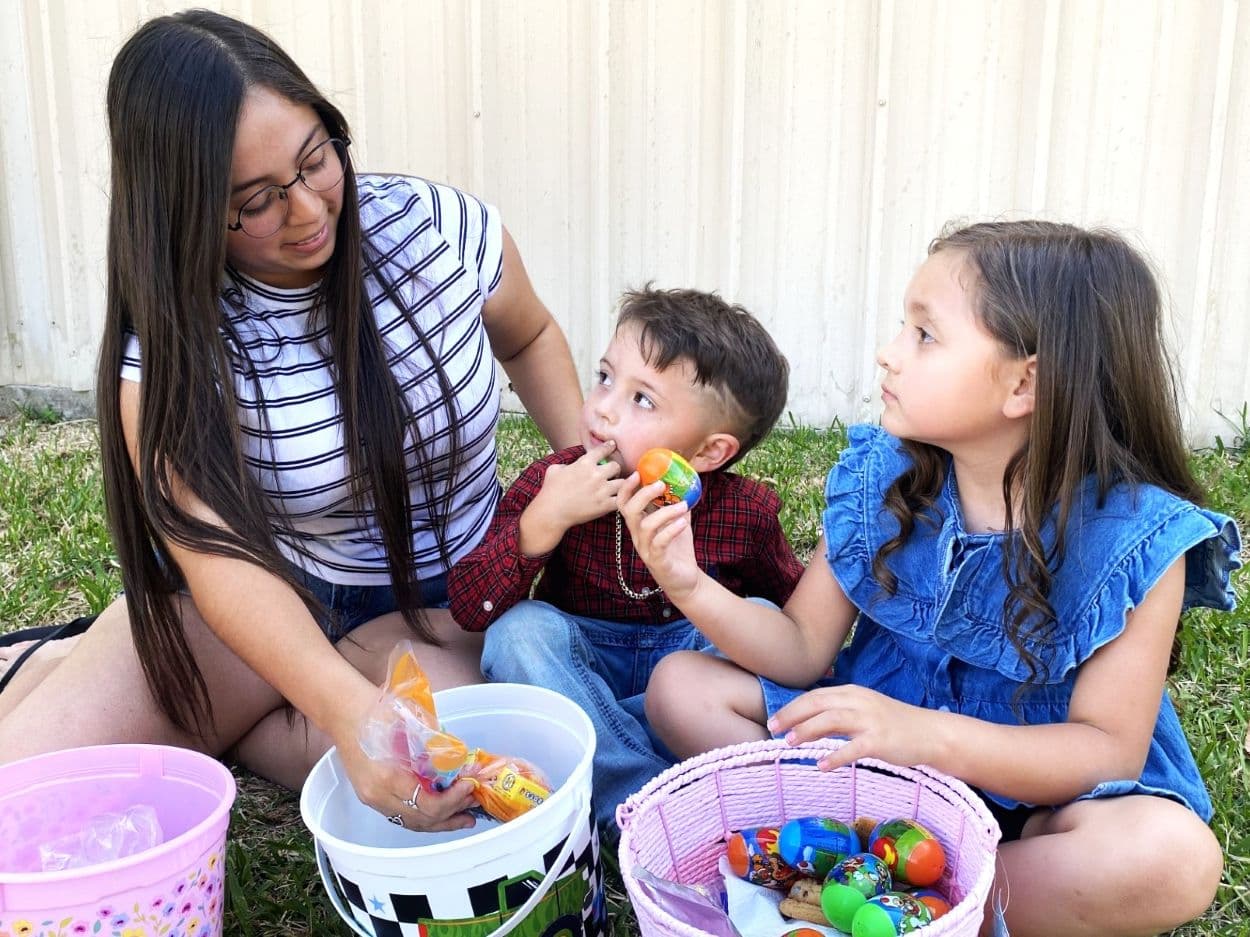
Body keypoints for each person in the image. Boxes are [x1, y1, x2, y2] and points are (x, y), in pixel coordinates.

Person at [0, 10, 584, 835]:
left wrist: (584, 465)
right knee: (23, 799)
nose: (309, 209)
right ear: (190, 209)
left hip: (447, 604)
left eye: (317, 159)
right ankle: (147, 681)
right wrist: (345, 708)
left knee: (473, 771)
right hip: (258, 606)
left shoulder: (436, 231)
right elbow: (209, 552)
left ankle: (223, 716)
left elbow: (527, 333)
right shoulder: (172, 337)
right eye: (258, 201)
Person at [625, 222, 1241, 936]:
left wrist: (923, 734)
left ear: (1023, 382)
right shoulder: (882, 479)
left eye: (924, 335)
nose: (889, 354)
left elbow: (1104, 747)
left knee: (1175, 857)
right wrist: (689, 583)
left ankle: (943, 900)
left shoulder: (1135, 541)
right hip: (883, 764)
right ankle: (879, 867)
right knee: (681, 686)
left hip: (1035, 799)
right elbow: (800, 647)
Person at [447, 286, 804, 837]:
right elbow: (471, 607)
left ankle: (705, 773)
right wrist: (542, 522)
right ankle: (639, 804)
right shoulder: (557, 480)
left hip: (685, 689)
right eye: (606, 377)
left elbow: (792, 630)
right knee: (519, 632)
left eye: (643, 400)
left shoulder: (744, 512)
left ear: (711, 452)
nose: (605, 408)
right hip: (584, 680)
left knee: (755, 610)